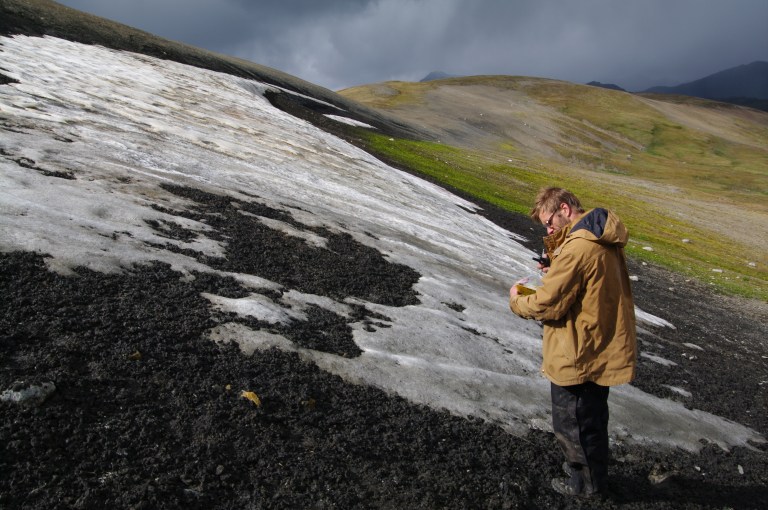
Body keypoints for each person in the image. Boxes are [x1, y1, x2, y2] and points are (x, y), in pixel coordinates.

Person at [509, 187, 637, 498]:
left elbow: (548, 303)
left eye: (550, 223)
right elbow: (584, 283)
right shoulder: (599, 235)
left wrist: (516, 300)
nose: (549, 230)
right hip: (596, 340)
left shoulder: (579, 247)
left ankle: (586, 487)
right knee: (591, 417)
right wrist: (556, 265)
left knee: (573, 422)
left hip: (577, 347)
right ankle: (592, 477)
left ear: (565, 209)